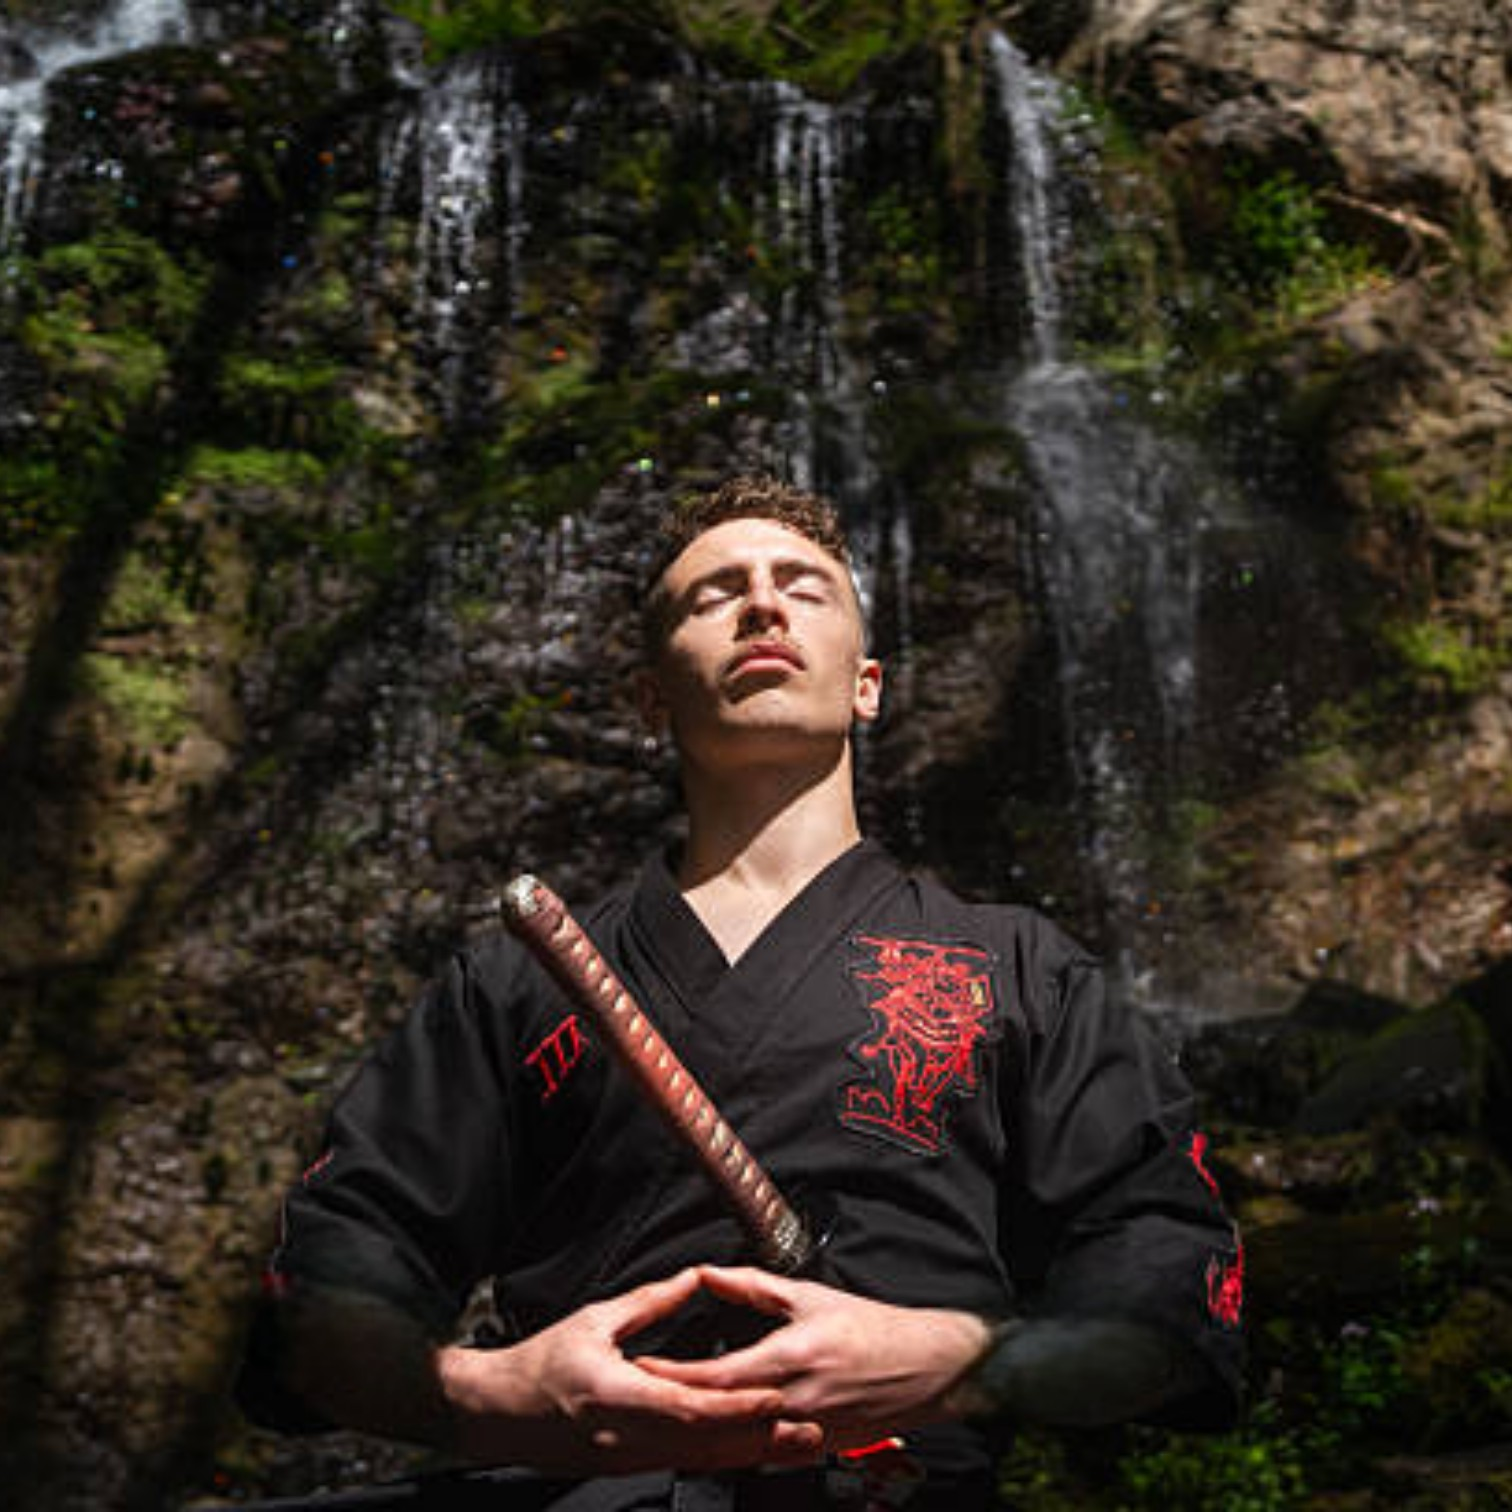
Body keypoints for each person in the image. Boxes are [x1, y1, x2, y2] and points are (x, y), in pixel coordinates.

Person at [236, 474, 1243, 1510]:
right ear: (651, 698)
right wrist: (489, 1396)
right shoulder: (513, 980)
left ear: (867, 685)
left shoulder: (1024, 971)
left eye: (803, 588)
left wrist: (964, 1361)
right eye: (714, 594)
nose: (763, 605)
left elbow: (1170, 1280)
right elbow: (329, 1279)